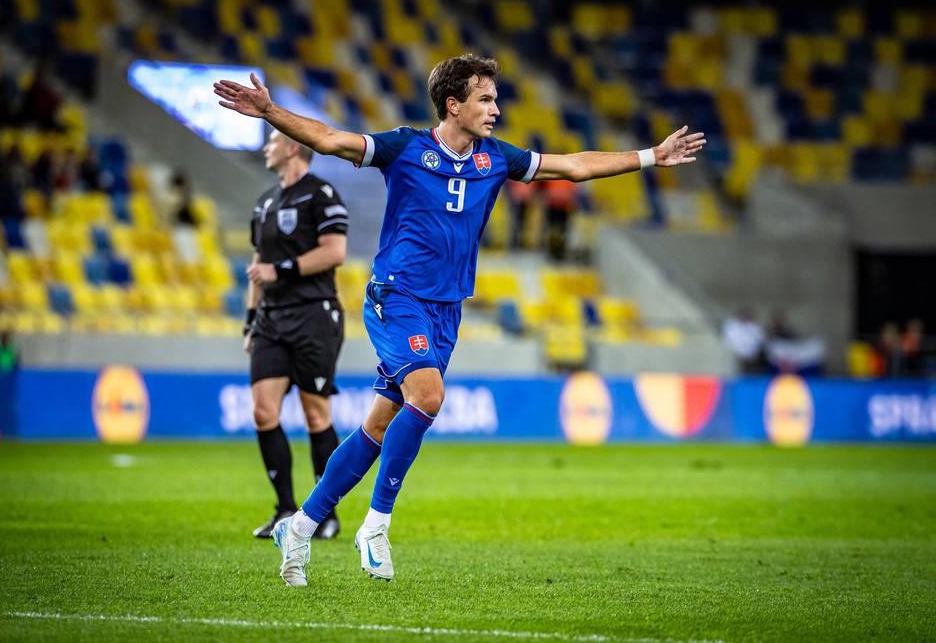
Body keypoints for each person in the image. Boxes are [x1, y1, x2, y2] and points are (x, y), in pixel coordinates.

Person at [214, 53, 705, 587]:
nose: (496, 108)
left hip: (446, 310)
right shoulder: (405, 148)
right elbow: (331, 139)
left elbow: (575, 166)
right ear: (454, 105)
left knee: (378, 426)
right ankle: (375, 526)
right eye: (486, 99)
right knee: (428, 397)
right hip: (396, 296)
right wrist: (270, 111)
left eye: (495, 98)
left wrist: (651, 156)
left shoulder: (497, 158)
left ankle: (302, 524)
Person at [242, 129, 350, 541]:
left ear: (291, 147)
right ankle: (285, 510)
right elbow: (257, 264)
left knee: (315, 414)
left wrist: (280, 270)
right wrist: (250, 319)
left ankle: (326, 514)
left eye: (271, 141)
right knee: (262, 412)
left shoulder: (321, 193)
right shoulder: (265, 201)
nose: (266, 147)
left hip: (313, 317)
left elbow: (334, 251)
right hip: (271, 319)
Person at [722, 307, 766, 374]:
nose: (744, 318)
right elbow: (729, 342)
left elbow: (759, 341)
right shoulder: (732, 327)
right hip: (735, 355)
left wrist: (749, 354)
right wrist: (740, 353)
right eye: (742, 315)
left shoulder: (755, 328)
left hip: (752, 357)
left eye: (746, 316)